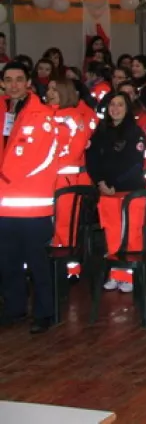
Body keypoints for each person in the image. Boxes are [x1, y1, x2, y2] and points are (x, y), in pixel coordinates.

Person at [0, 62, 59, 333]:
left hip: (32, 205)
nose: (13, 85)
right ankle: (14, 308)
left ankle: (45, 313)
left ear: (28, 83)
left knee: (38, 263)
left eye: (18, 79)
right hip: (4, 204)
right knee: (7, 261)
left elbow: (39, 156)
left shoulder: (41, 115)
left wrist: (5, 177)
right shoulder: (4, 111)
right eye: (8, 80)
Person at [86, 92, 146, 292]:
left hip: (130, 191)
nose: (115, 109)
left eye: (120, 105)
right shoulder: (101, 131)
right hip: (106, 191)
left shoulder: (135, 132)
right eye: (112, 104)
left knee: (131, 234)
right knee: (112, 233)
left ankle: (129, 276)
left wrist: (115, 184)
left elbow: (135, 164)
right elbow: (92, 158)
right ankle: (115, 273)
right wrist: (100, 182)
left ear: (127, 108)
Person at [48, 78, 96, 278]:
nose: (49, 92)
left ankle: (70, 269)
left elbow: (74, 151)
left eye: (54, 89)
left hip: (66, 178)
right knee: (50, 224)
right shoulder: (45, 114)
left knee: (66, 223)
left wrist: (51, 163)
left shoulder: (74, 118)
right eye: (49, 89)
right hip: (48, 178)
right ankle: (53, 264)